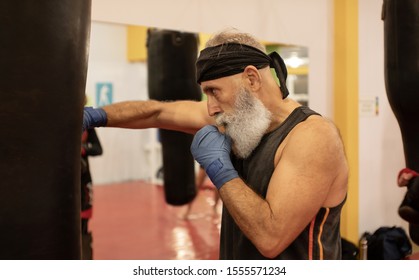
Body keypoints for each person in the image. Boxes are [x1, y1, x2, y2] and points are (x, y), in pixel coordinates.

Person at [83, 28, 348, 259]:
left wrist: (221, 170)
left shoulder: (312, 137)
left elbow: (271, 238)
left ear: (251, 78)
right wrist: (94, 116)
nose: (209, 108)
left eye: (214, 91)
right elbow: (157, 112)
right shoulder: (238, 118)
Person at [80, 127, 103, 259]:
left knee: (83, 225)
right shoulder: (59, 120)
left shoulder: (87, 122)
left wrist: (82, 150)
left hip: (84, 183)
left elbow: (98, 149)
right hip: (62, 181)